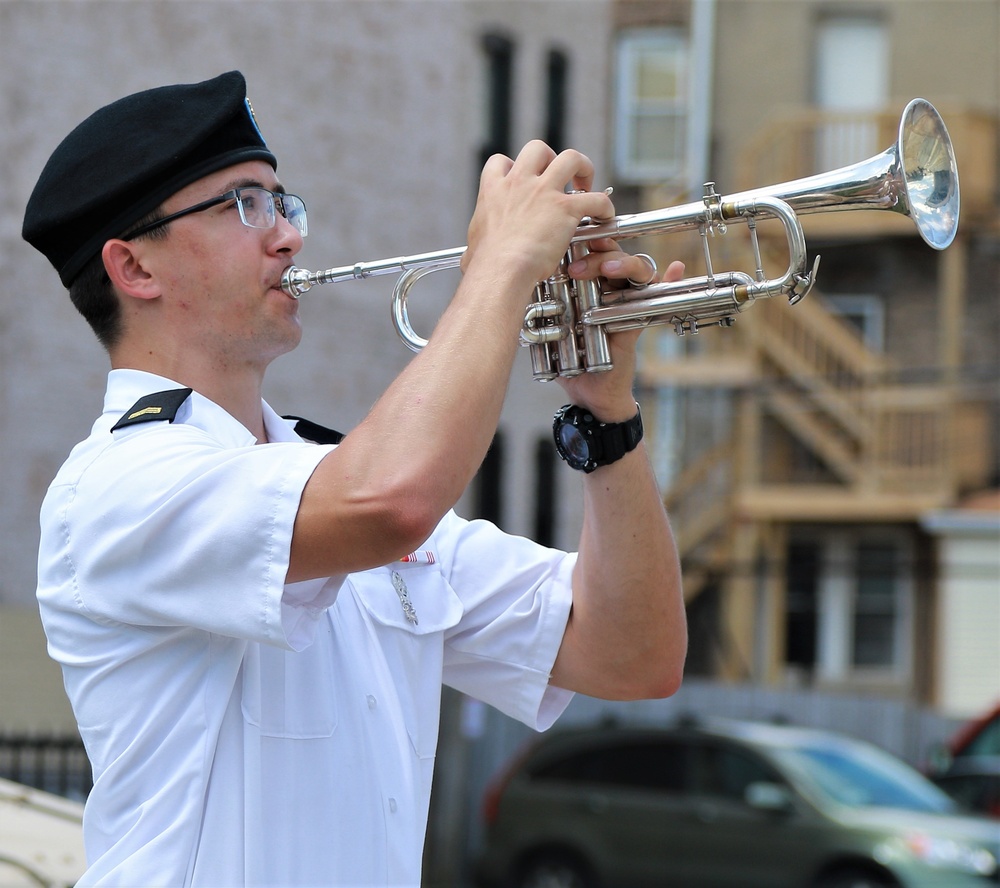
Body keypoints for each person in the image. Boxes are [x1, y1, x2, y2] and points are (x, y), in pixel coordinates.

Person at [22, 71, 686, 887]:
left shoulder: (324, 475)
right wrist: (502, 267)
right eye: (243, 205)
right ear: (135, 269)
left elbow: (631, 655)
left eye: (282, 201)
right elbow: (393, 501)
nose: (289, 236)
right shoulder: (118, 486)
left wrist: (607, 413)